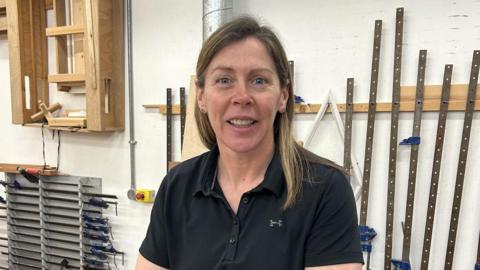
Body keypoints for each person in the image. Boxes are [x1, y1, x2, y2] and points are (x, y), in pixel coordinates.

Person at [136, 16, 363, 270]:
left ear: (283, 96)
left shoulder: (325, 190)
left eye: (259, 80)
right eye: (224, 80)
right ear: (201, 97)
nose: (242, 97)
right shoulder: (176, 187)